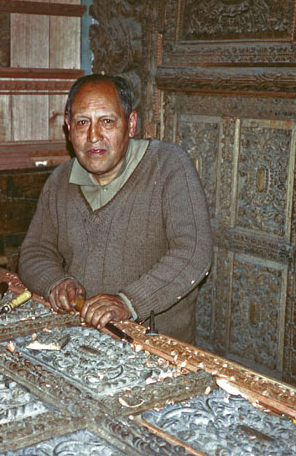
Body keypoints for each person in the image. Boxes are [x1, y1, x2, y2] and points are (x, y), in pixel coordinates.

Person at [18, 73, 212, 343]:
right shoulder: (60, 181)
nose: (94, 136)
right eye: (82, 122)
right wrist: (56, 282)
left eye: (107, 121)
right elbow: (35, 251)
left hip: (154, 343)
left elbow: (193, 253)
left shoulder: (169, 166)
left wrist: (128, 302)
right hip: (80, 337)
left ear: (130, 124)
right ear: (68, 127)